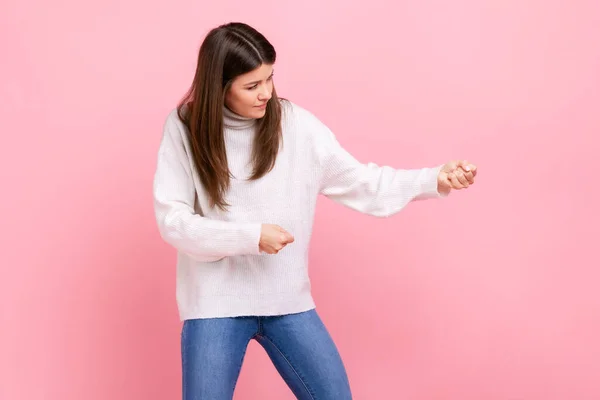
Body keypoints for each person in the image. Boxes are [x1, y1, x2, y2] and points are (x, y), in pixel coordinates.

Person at [153, 21, 477, 400]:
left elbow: (361, 182)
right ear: (219, 87)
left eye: (270, 78)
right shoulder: (185, 128)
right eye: (252, 86)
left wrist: (434, 179)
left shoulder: (297, 126)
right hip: (214, 302)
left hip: (287, 299)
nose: (266, 94)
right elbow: (173, 223)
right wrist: (251, 236)